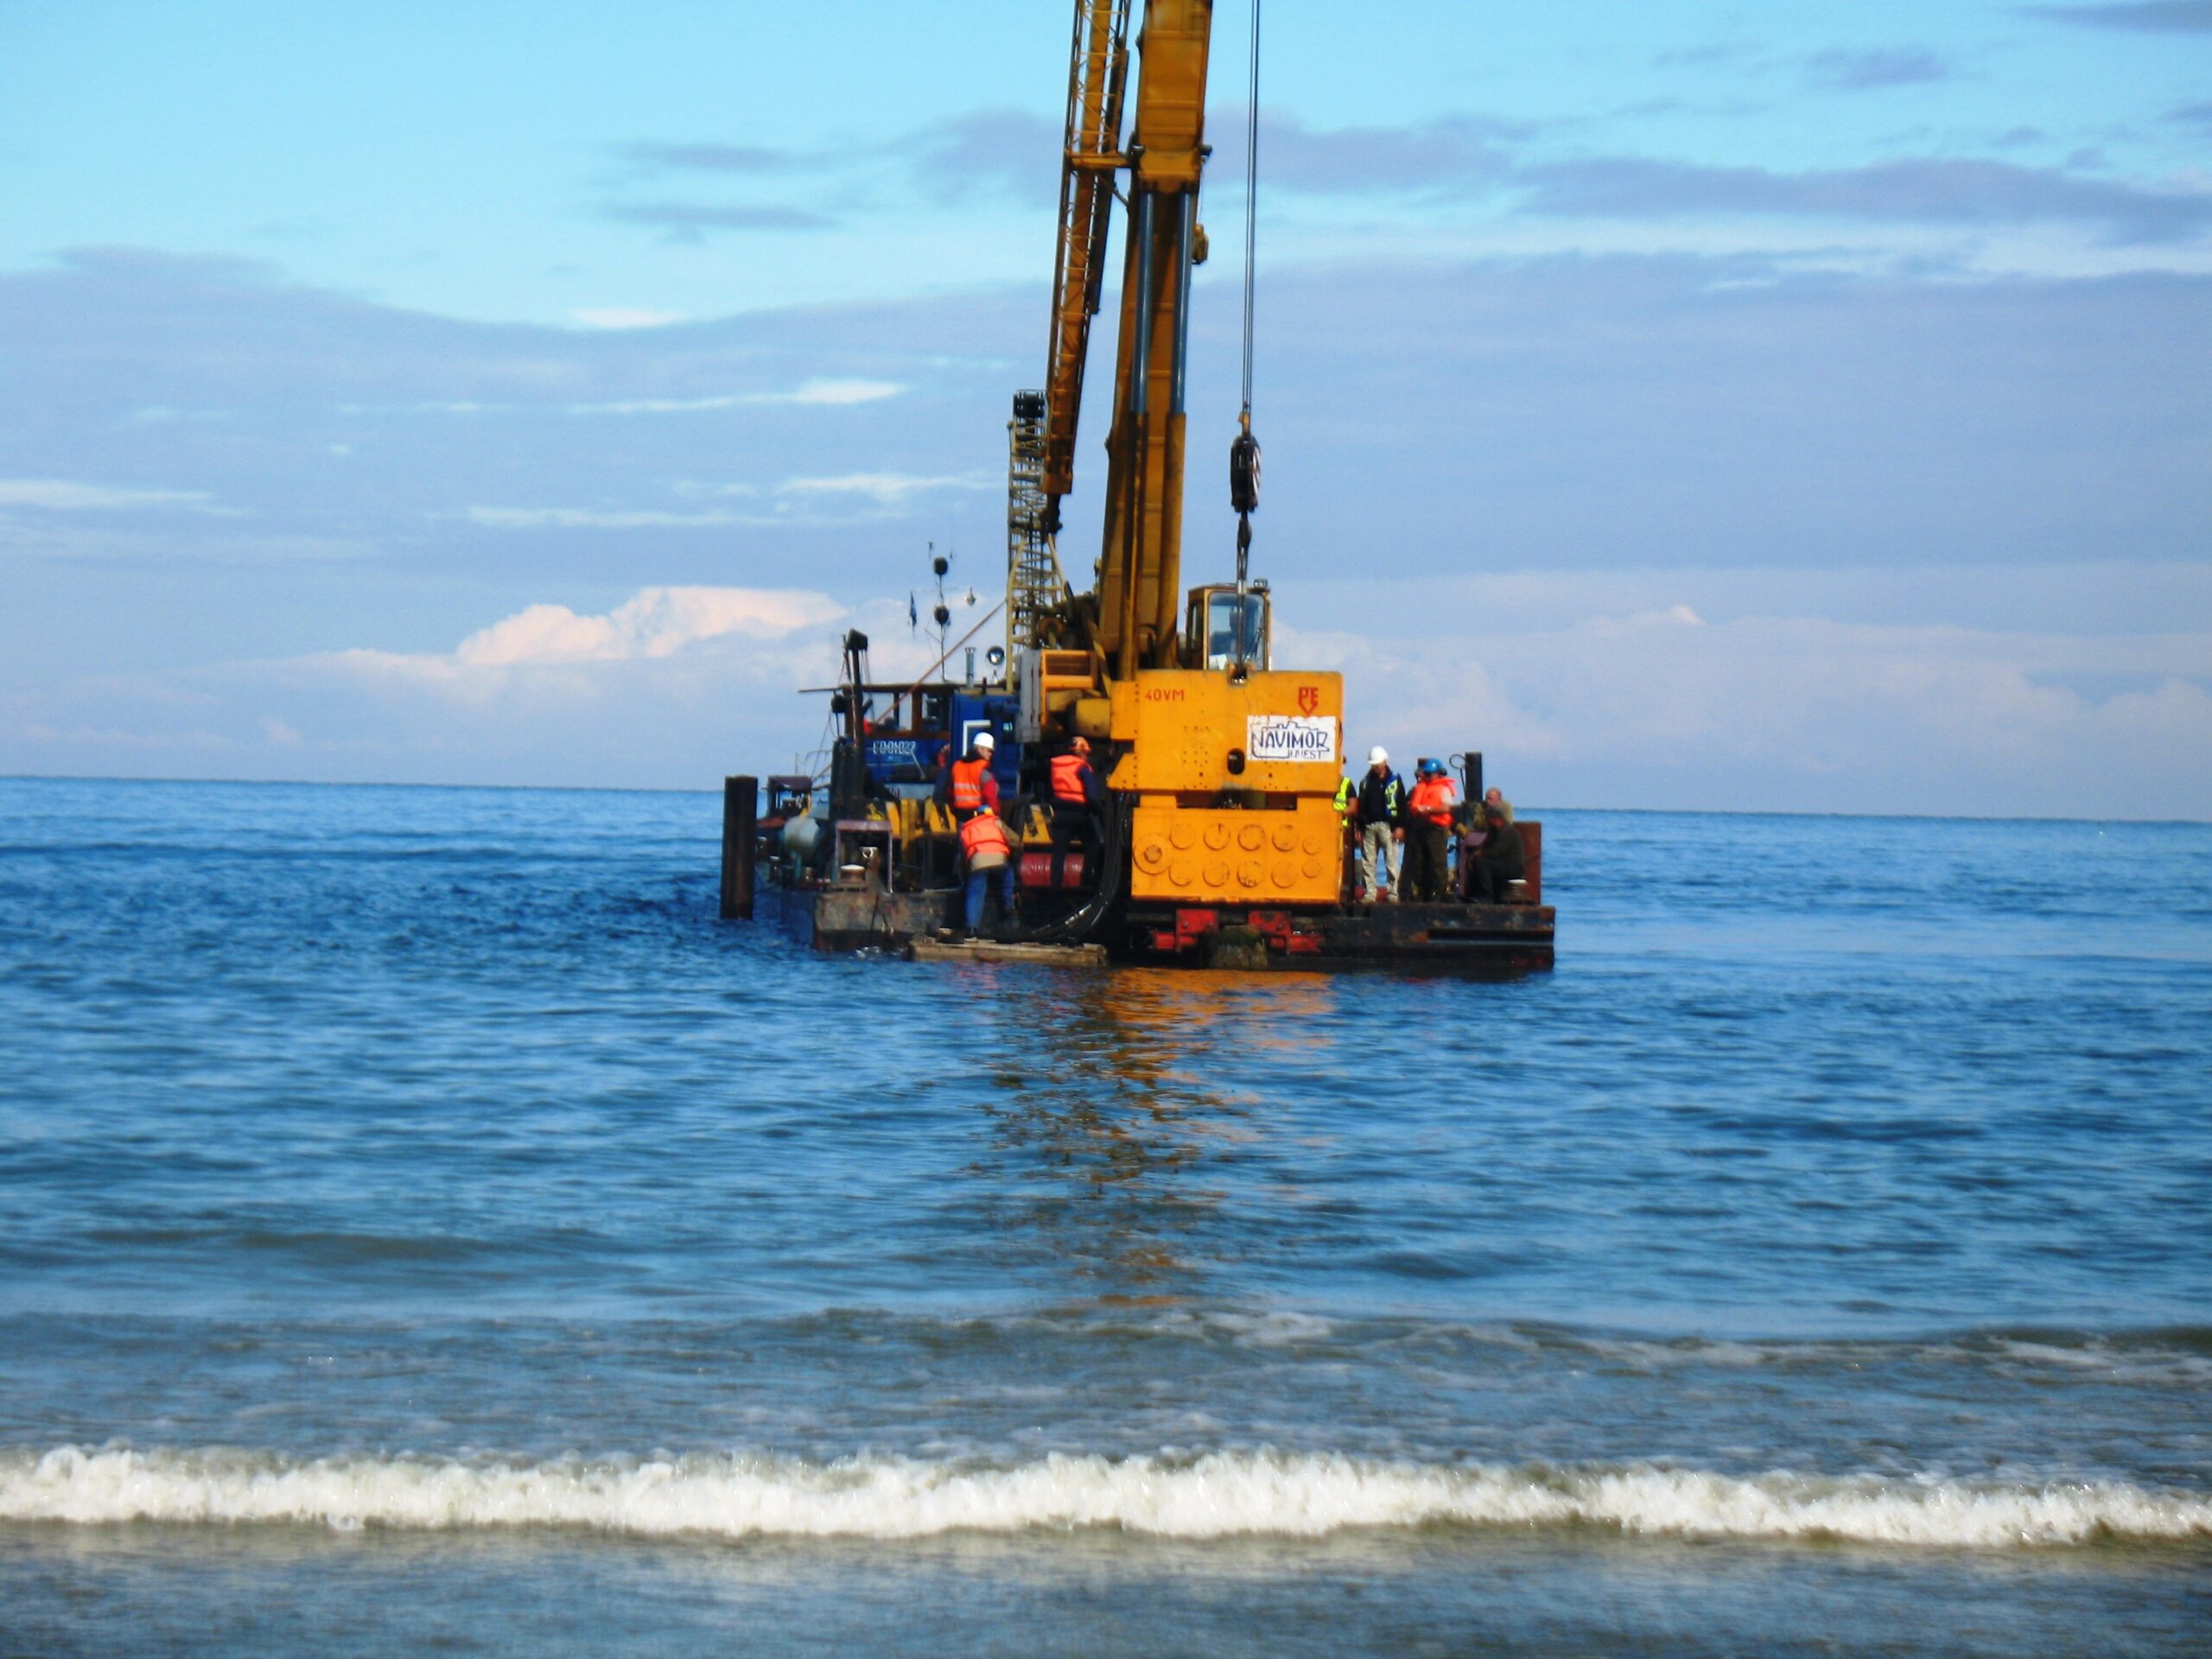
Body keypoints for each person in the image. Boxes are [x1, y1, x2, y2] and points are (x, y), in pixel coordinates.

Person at [1046, 735, 1105, 892]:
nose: (1087, 756)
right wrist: (1101, 813)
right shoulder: (1082, 768)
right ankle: (1086, 880)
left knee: (1059, 851)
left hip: (1060, 814)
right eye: (1085, 753)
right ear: (1080, 753)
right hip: (1079, 815)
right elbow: (1092, 796)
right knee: (1093, 844)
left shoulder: (1056, 766)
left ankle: (1055, 887)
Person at [1402, 758, 1459, 902]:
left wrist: (1427, 809)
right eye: (1425, 774)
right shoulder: (1421, 788)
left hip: (1437, 829)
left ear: (1438, 774)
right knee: (1421, 861)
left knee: (1437, 862)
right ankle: (1423, 893)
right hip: (1422, 829)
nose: (1426, 777)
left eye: (1429, 774)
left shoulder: (1443, 789)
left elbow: (1446, 807)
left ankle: (1439, 894)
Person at [1353, 746, 1406, 902]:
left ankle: (1392, 892)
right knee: (1368, 862)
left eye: (1378, 763)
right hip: (1369, 826)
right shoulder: (1365, 782)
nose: (1375, 767)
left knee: (1391, 861)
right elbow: (1361, 806)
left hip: (1388, 827)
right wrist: (1359, 827)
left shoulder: (1395, 781)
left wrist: (1400, 826)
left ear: (1385, 761)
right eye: (1373, 764)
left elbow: (1402, 805)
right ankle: (1370, 892)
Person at [957, 803, 1018, 935]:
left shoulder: (967, 828)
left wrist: (966, 872)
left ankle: (972, 927)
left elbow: (962, 856)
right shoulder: (997, 822)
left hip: (978, 862)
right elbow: (1015, 840)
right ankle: (1010, 911)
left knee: (975, 892)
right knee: (1008, 880)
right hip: (999, 860)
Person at [1465, 800, 1526, 902]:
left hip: (1513, 867)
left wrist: (1479, 854)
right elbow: (1486, 844)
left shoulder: (1507, 831)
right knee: (1480, 861)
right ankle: (1476, 893)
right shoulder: (1494, 830)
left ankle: (1487, 896)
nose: (1486, 822)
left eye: (1488, 819)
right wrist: (1474, 855)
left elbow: (1495, 851)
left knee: (1482, 862)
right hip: (1502, 863)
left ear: (1495, 819)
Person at [936, 729, 1001, 822]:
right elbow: (990, 798)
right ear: (980, 749)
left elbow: (950, 793)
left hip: (961, 816)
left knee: (963, 836)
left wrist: (955, 812)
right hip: (980, 819)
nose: (990, 754)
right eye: (989, 751)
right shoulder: (984, 771)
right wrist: (996, 814)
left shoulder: (957, 767)